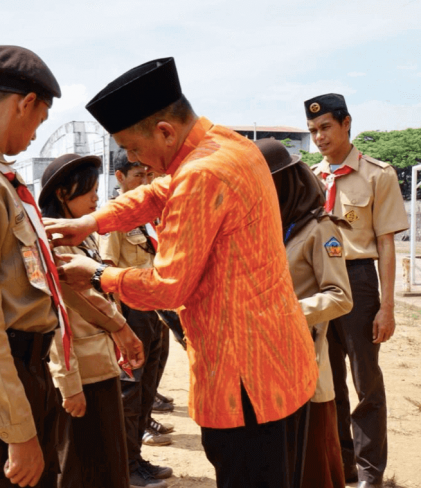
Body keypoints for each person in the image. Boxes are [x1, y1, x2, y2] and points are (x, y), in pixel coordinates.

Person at [45, 57, 319, 488]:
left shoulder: (201, 174)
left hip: (243, 383)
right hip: (281, 363)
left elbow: (166, 286)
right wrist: (91, 223)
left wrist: (97, 275)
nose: (136, 160)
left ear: (165, 131)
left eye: (133, 148)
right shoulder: (228, 144)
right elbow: (156, 193)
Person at [0, 45, 144, 488]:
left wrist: (114, 324)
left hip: (24, 370)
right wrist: (18, 431)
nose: (33, 136)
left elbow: (42, 280)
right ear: (25, 104)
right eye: (41, 120)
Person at [305, 94, 410, 488]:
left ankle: (370, 472)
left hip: (358, 282)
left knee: (366, 382)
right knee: (327, 380)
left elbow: (385, 243)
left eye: (326, 127)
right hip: (320, 285)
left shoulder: (376, 175)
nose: (319, 137)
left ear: (346, 123)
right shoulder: (312, 178)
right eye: (313, 130)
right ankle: (343, 462)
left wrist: (387, 307)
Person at [257, 138, 353, 488]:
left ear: (285, 183)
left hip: (307, 363)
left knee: (312, 465)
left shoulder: (320, 229)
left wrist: (286, 312)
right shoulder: (276, 230)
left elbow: (340, 297)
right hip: (273, 365)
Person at [39, 153, 139, 488]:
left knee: (107, 464)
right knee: (79, 469)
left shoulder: (85, 237)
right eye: (88, 190)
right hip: (80, 374)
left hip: (99, 366)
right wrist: (68, 384)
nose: (97, 197)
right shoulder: (51, 243)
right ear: (62, 195)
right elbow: (55, 321)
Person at [99, 150, 173, 488]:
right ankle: (126, 465)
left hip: (157, 311)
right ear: (119, 178)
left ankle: (137, 458)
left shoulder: (148, 216)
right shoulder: (113, 217)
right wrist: (119, 327)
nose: (145, 182)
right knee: (130, 393)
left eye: (148, 175)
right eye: (137, 176)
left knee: (148, 388)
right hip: (132, 312)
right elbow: (106, 271)